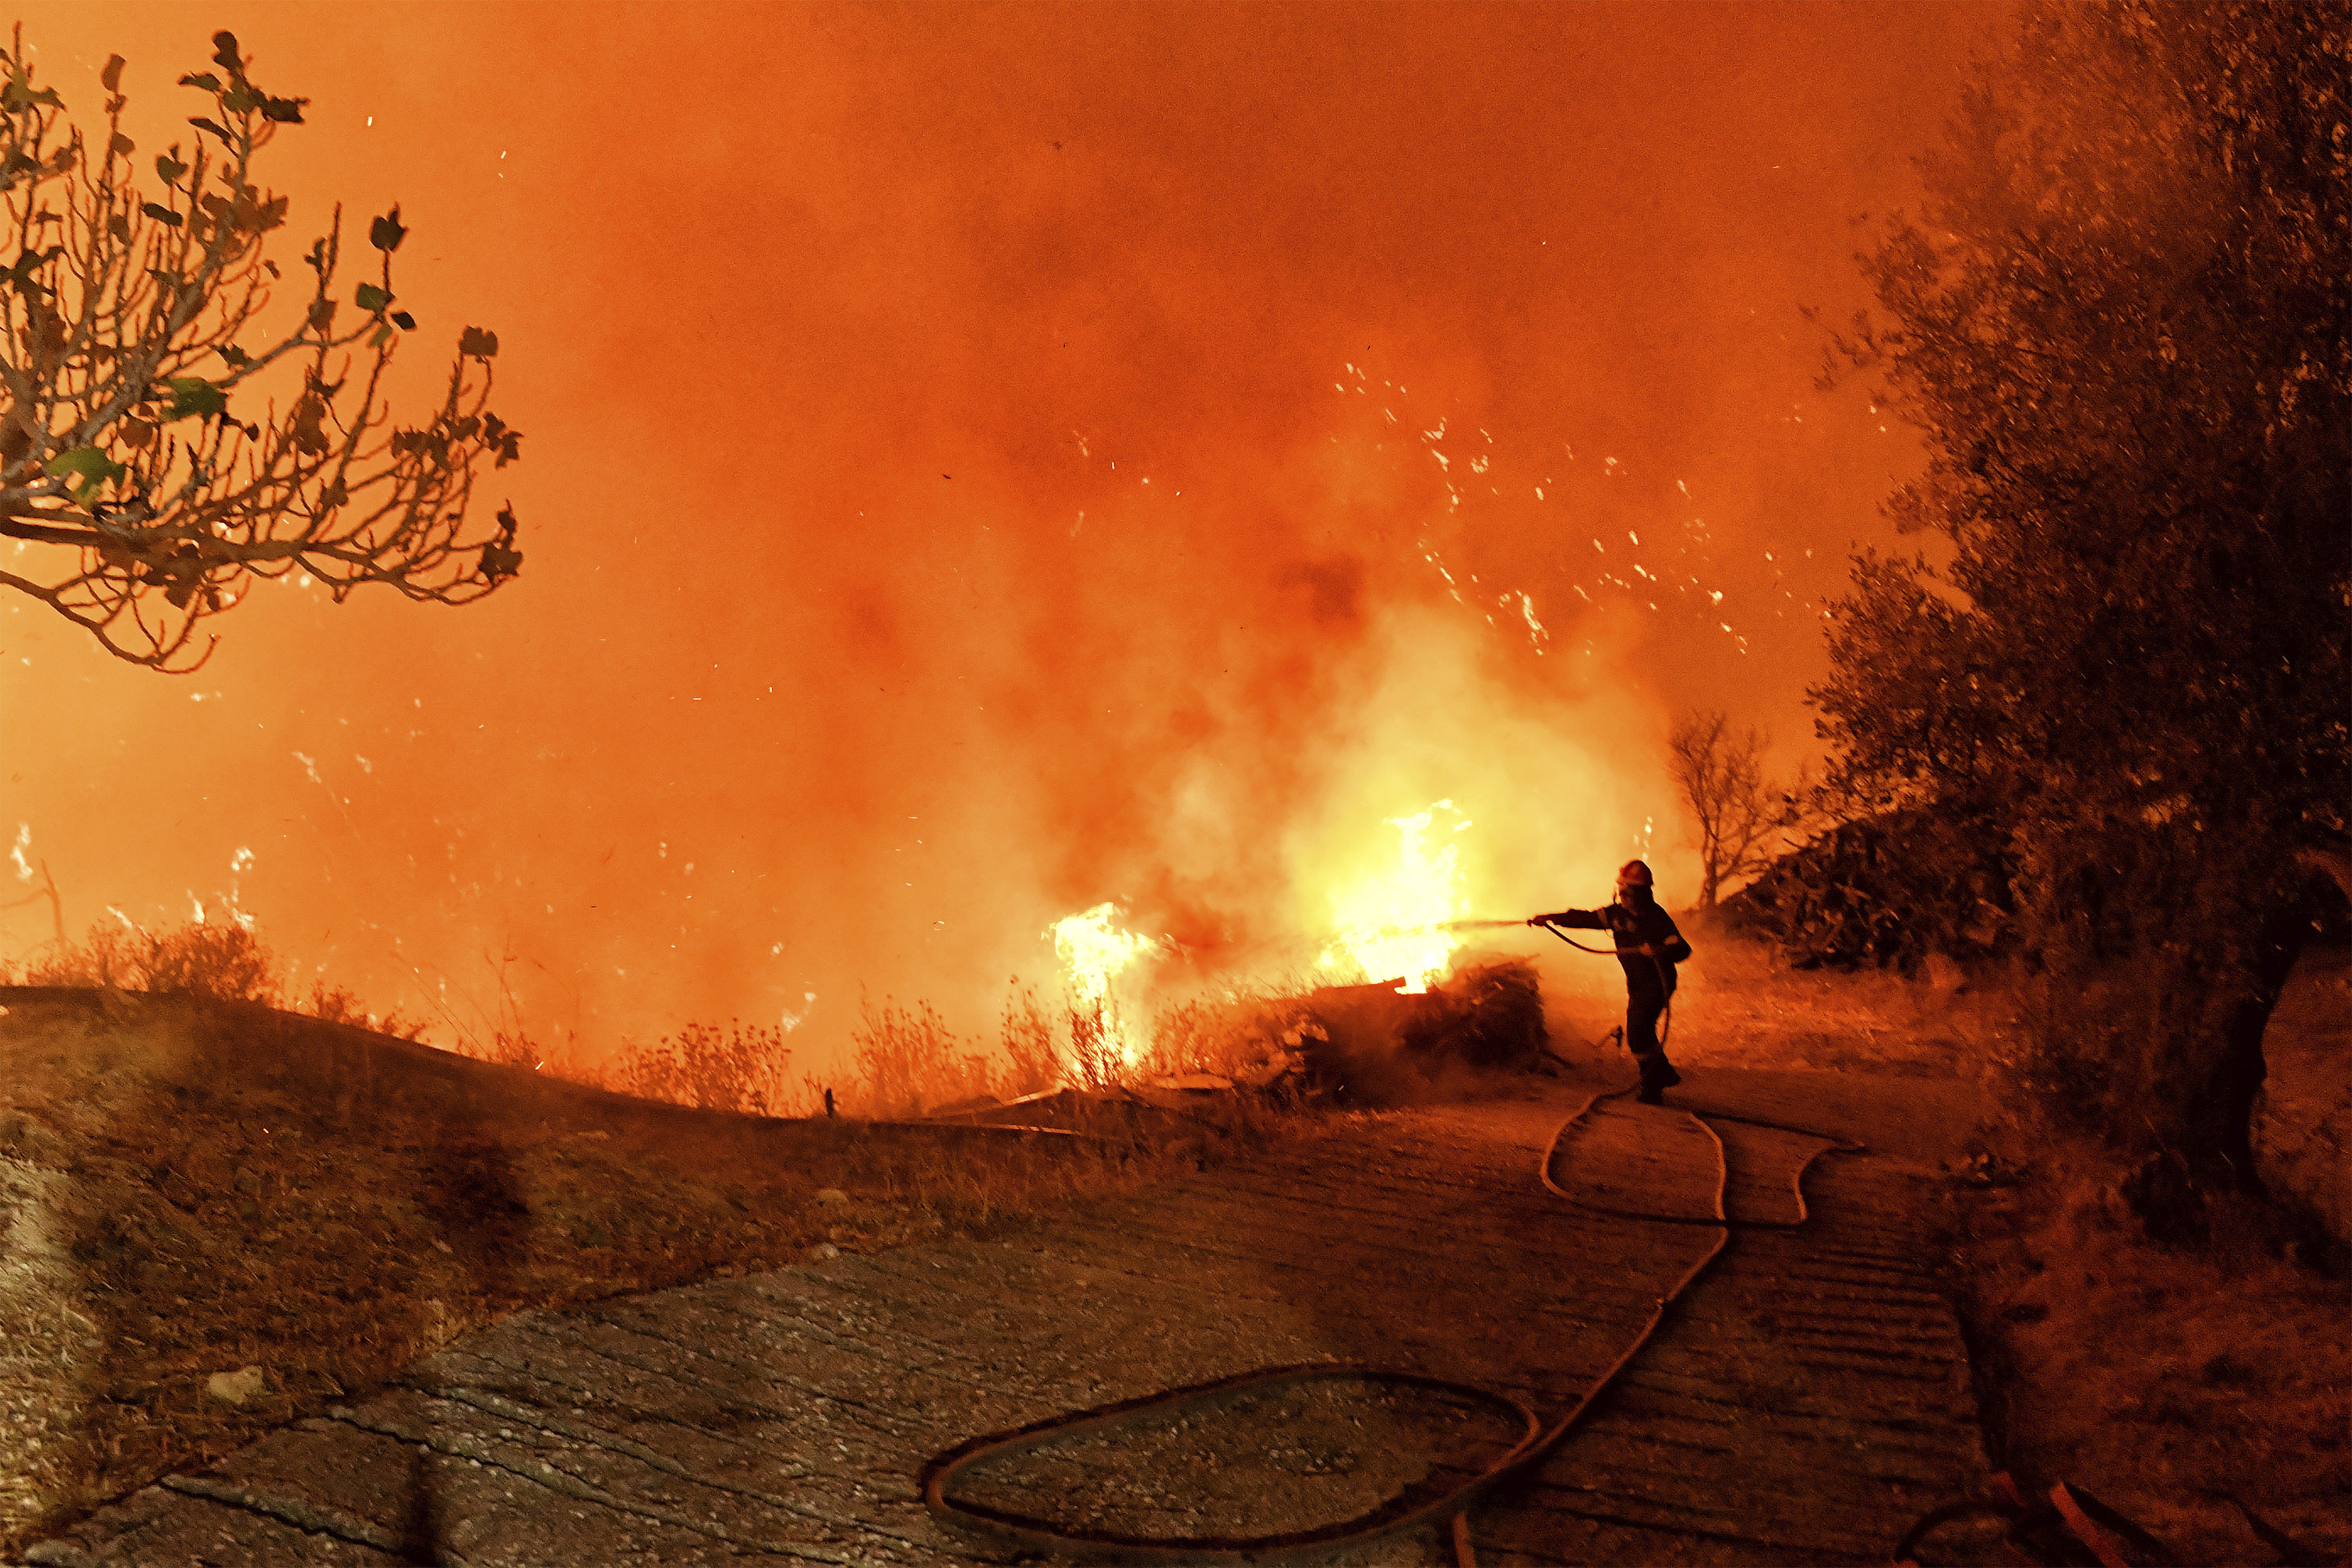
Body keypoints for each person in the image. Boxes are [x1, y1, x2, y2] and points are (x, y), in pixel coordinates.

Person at [1531, 860, 1693, 1103]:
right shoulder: (1618, 915)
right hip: (1637, 984)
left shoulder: (1657, 919)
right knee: (1641, 1031)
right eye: (1622, 889)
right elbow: (1585, 919)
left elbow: (1682, 948)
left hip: (1658, 984)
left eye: (1629, 890)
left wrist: (1660, 950)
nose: (1623, 895)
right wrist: (1551, 918)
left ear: (1644, 892)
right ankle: (1661, 1075)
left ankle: (1653, 1083)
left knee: (1638, 1032)